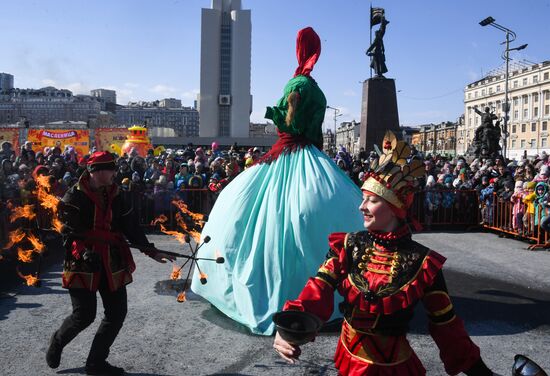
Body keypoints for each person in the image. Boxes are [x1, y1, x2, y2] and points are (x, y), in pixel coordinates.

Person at [273, 132, 494, 375]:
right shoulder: (349, 245)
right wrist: (291, 327)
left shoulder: (423, 262)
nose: (361, 206)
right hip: (350, 359)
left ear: (394, 208)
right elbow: (318, 289)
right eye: (363, 198)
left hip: (394, 368)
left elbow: (447, 326)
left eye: (371, 200)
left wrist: (482, 373)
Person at [191, 27, 364, 335]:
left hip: (287, 152)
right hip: (309, 155)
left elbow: (290, 116)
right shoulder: (313, 87)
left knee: (242, 211)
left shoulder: (296, 83)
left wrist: (284, 117)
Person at [46, 151, 175, 376]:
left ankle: (96, 363)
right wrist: (84, 252)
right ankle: (57, 341)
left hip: (111, 260)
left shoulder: (117, 195)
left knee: (117, 313)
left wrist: (150, 251)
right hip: (82, 262)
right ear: (97, 172)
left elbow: (130, 226)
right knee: (84, 315)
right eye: (111, 169)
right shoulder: (74, 196)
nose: (115, 173)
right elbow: (69, 233)